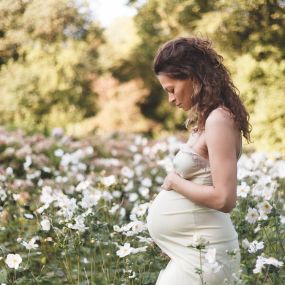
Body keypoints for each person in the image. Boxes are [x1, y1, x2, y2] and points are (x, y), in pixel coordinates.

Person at [146, 36, 251, 285]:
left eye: (171, 89)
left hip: (208, 255)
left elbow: (224, 199)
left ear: (192, 76)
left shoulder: (219, 120)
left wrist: (174, 182)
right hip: (194, 250)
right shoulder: (206, 121)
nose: (171, 99)